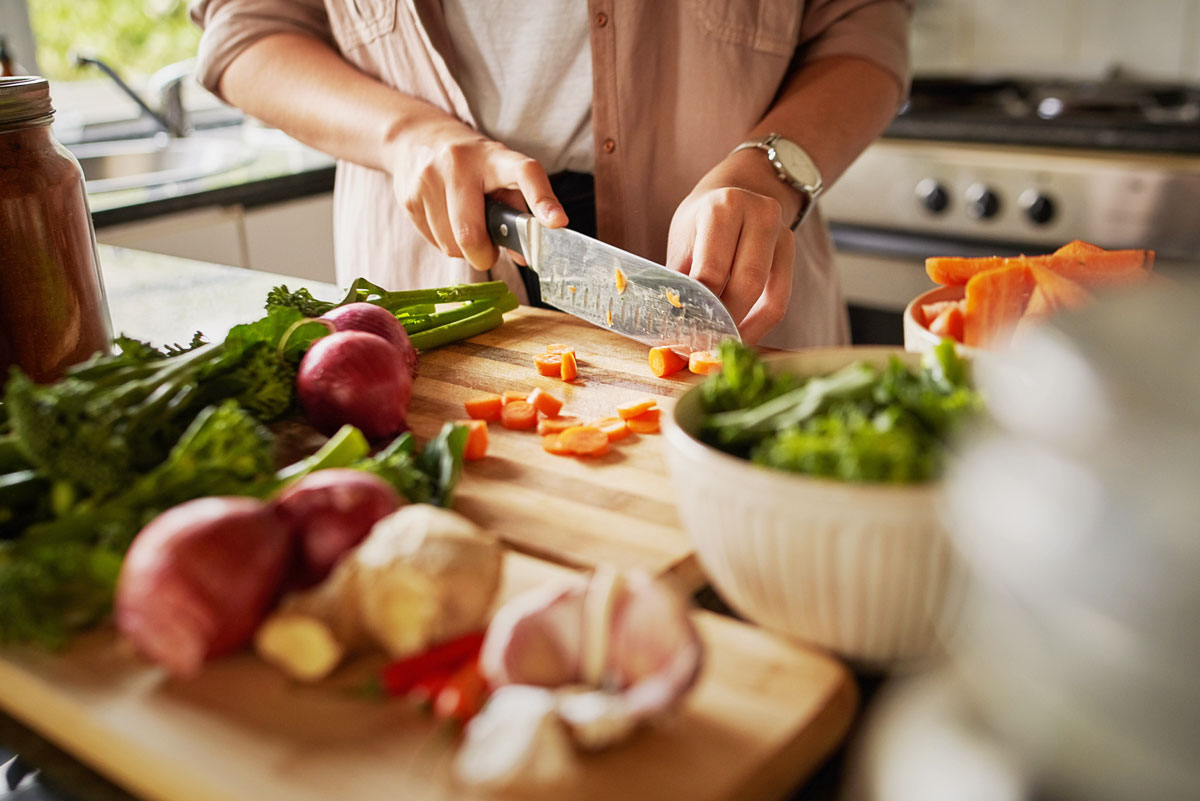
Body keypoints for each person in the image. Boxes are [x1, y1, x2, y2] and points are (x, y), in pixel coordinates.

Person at [189, 1, 910, 348]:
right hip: (440, 274)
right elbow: (246, 31)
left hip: (735, 285)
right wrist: (406, 135)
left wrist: (769, 169)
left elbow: (866, 33)